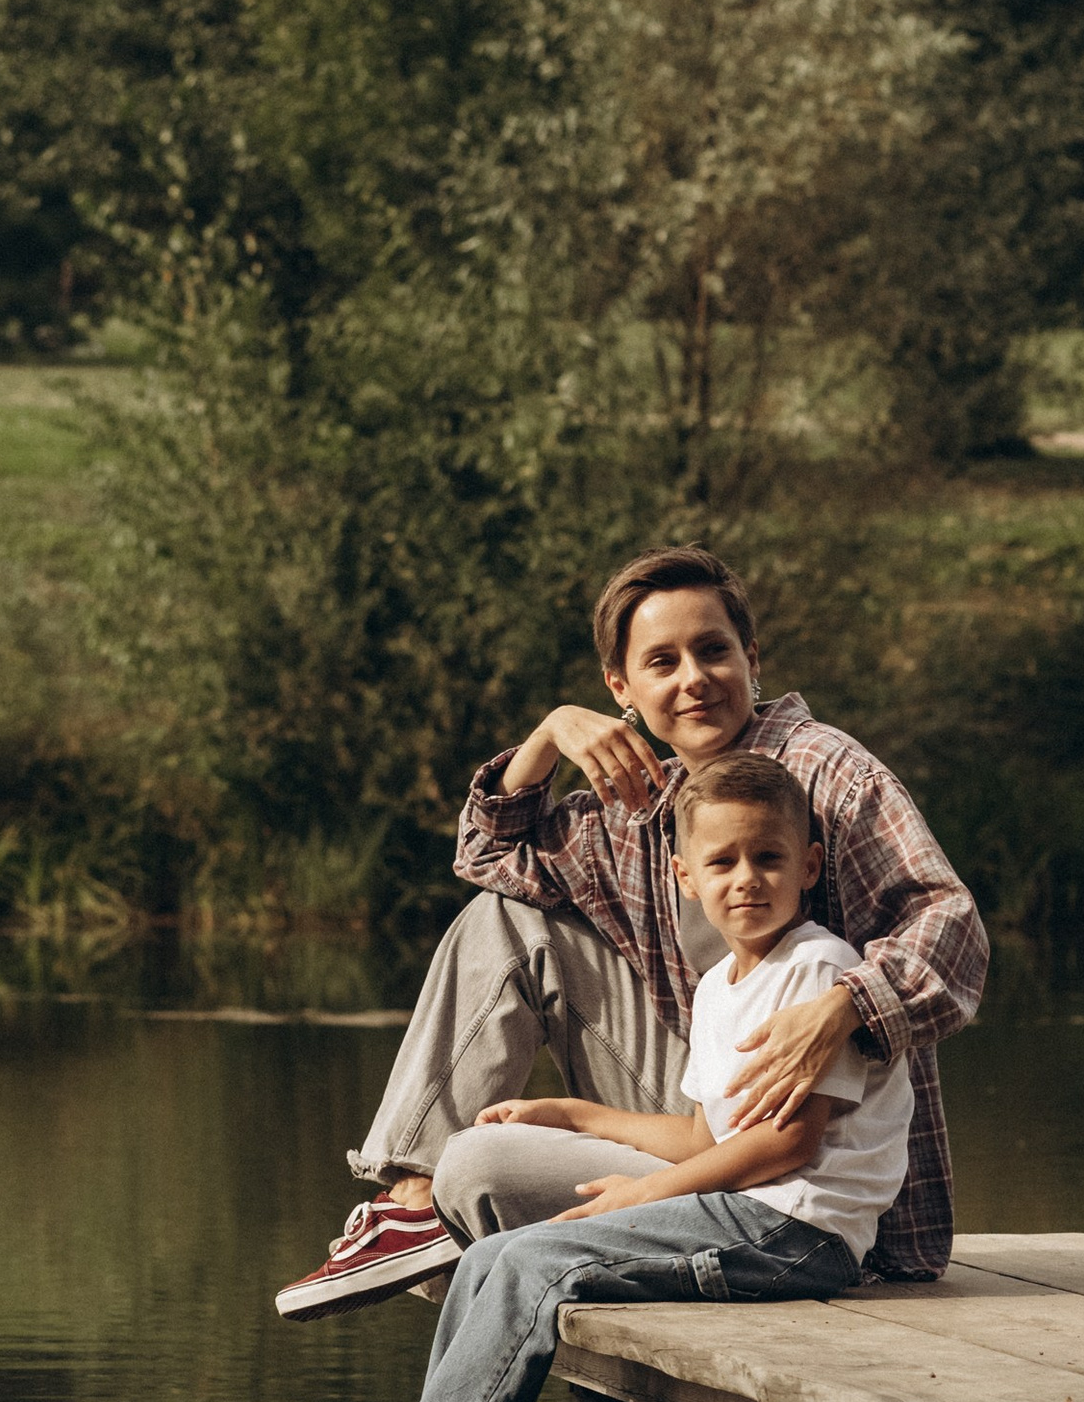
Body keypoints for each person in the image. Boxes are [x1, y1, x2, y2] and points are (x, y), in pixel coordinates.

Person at [240, 747, 916, 1402]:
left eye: (769, 857)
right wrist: (573, 1114)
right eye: (723, 861)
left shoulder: (817, 968)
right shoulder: (719, 989)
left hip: (801, 1235)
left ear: (809, 865)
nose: (747, 879)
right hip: (748, 1213)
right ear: (685, 876)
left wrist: (642, 1196)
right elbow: (706, 1133)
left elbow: (784, 1147)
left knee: (531, 1262)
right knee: (493, 1258)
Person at [271, 543, 984, 1325]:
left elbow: (951, 926)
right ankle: (411, 1197)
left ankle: (444, 1219)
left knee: (493, 1173)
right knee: (506, 923)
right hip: (701, 1125)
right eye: (662, 661)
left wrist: (846, 1005)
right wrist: (547, 738)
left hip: (829, 1183)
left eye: (714, 651)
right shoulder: (633, 799)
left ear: (752, 658)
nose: (693, 679)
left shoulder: (830, 773)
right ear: (623, 688)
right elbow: (485, 855)